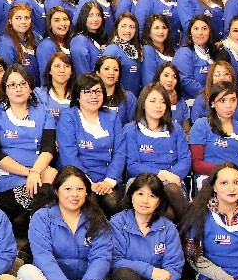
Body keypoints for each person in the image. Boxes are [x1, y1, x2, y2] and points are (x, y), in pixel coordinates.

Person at [15, 166, 120, 280]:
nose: (74, 194)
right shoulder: (42, 218)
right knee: (26, 272)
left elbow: (101, 257)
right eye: (68, 189)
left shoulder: (97, 219)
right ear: (56, 191)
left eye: (80, 189)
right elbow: (44, 259)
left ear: (87, 192)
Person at [110, 173, 199, 280]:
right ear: (131, 196)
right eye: (140, 194)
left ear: (159, 202)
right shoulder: (117, 222)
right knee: (122, 275)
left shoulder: (168, 227)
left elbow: (174, 266)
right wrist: (149, 271)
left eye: (152, 196)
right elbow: (115, 261)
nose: (145, 201)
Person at [0, 64, 57, 239]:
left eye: (23, 84)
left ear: (30, 86)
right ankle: (36, 237)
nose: (18, 89)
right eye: (12, 85)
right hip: (7, 176)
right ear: (5, 89)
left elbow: (48, 148)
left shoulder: (44, 112)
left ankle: (32, 236)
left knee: (52, 174)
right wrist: (30, 173)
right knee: (47, 189)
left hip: (38, 174)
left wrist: (36, 172)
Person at [57, 73, 126, 217]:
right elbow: (69, 156)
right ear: (77, 95)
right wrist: (88, 183)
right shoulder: (69, 117)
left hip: (107, 178)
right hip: (78, 178)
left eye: (97, 91)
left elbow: (119, 152)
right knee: (89, 203)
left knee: (113, 202)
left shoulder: (112, 117)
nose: (93, 96)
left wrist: (109, 180)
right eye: (87, 92)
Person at [123, 83, 190, 223]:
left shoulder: (176, 129)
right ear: (143, 103)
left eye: (162, 102)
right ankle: (188, 235)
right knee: (169, 215)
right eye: (153, 101)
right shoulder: (131, 129)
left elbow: (185, 160)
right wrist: (161, 174)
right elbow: (132, 165)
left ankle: (189, 235)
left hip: (172, 182)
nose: (158, 106)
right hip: (141, 182)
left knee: (171, 190)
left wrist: (171, 176)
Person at [188, 81, 238, 199]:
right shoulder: (202, 125)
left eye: (232, 100)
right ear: (212, 103)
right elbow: (196, 163)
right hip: (209, 178)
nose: (229, 105)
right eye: (222, 101)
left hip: (237, 181)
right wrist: (226, 173)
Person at [189, 59, 238, 133]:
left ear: (232, 77)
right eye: (217, 74)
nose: (222, 78)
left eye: (226, 74)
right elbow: (198, 128)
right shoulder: (201, 99)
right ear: (211, 78)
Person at [173, 14, 216, 100]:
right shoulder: (184, 53)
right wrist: (209, 95)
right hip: (191, 103)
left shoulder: (213, 53)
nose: (200, 33)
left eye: (204, 29)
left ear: (210, 32)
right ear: (190, 32)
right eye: (196, 29)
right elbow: (185, 81)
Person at [102, 11, 142, 95]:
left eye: (131, 27)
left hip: (133, 99)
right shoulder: (112, 50)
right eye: (123, 26)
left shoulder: (137, 50)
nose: (128, 30)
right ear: (117, 28)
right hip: (117, 98)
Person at [0, 3, 37, 81]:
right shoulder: (5, 43)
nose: (23, 22)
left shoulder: (34, 38)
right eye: (18, 18)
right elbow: (7, 73)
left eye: (26, 18)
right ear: (10, 20)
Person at [69, 0, 107, 78]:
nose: (95, 19)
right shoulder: (79, 41)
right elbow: (82, 74)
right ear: (84, 17)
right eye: (91, 15)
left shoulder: (101, 39)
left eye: (98, 15)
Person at [35, 5, 73, 82]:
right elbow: (45, 77)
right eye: (57, 20)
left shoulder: (70, 43)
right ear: (49, 24)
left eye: (65, 19)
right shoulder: (46, 46)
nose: (62, 23)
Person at [95, 54, 135, 125]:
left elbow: (134, 124)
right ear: (98, 73)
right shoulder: (90, 96)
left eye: (115, 70)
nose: (111, 73)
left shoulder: (129, 98)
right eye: (106, 69)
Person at [35, 50, 74, 123]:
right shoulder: (39, 94)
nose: (62, 70)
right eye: (57, 66)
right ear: (50, 70)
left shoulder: (79, 95)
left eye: (67, 66)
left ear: (71, 71)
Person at [152, 62, 190, 131]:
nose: (170, 80)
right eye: (166, 75)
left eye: (174, 77)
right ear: (158, 77)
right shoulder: (150, 100)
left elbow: (186, 131)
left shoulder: (181, 103)